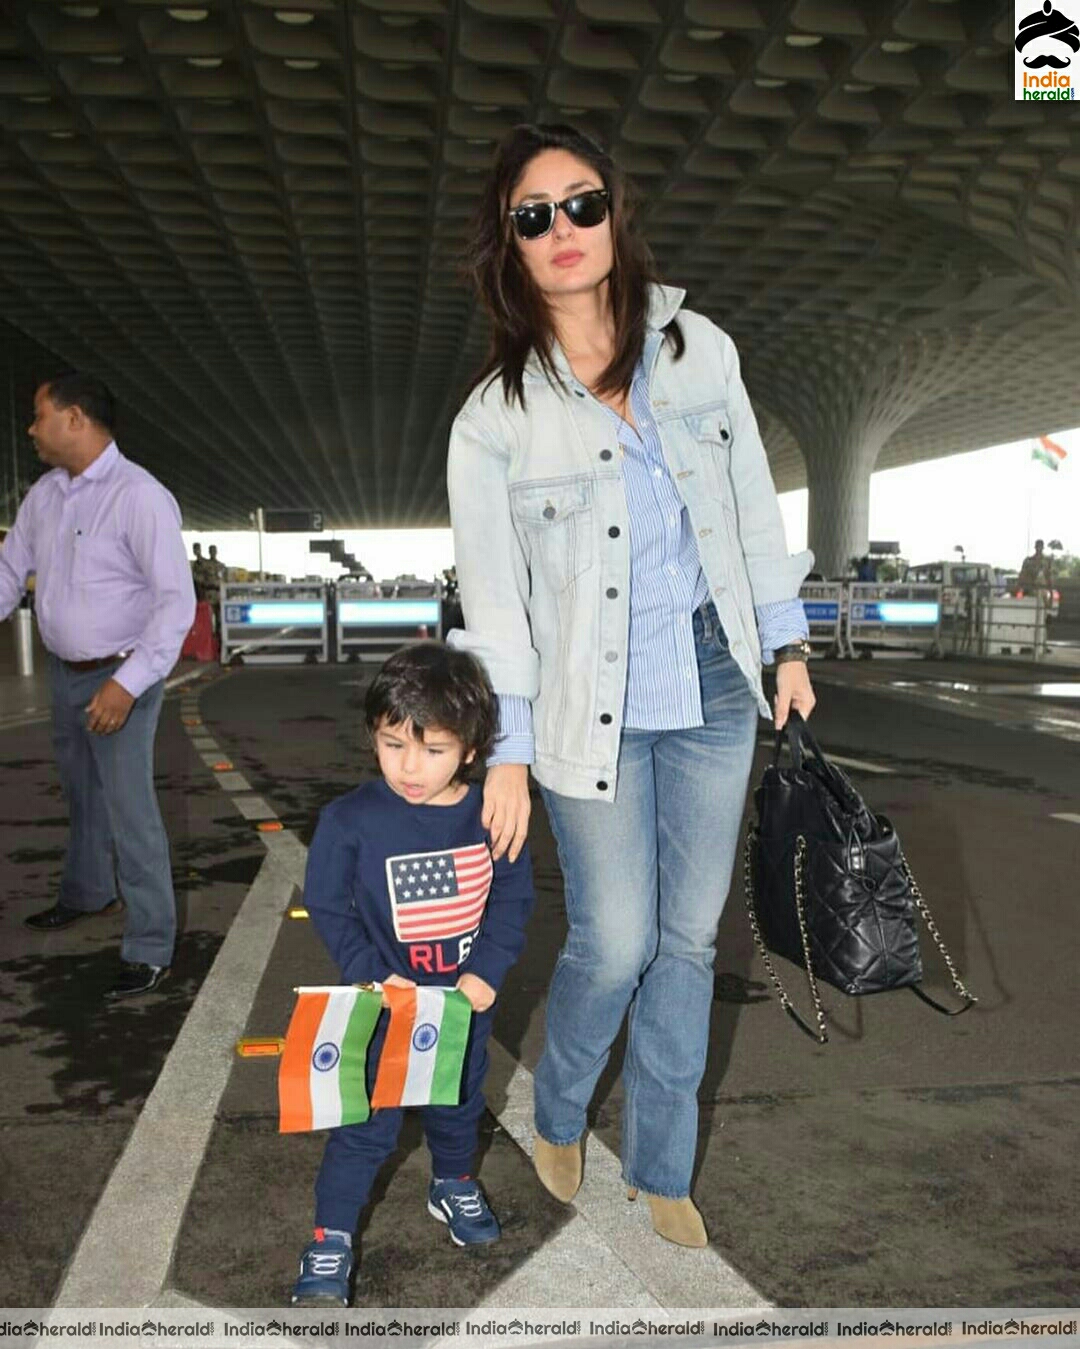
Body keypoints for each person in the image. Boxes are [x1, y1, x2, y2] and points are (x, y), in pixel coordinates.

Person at [446, 124, 817, 1248]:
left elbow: (752, 505)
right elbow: (495, 603)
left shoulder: (700, 349)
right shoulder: (493, 417)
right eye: (533, 215)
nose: (563, 230)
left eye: (582, 203)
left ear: (618, 213)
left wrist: (786, 642)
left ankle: (664, 1168)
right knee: (615, 938)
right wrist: (504, 750)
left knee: (691, 943)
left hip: (713, 686)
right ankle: (557, 1107)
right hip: (582, 713)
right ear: (508, 246)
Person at [291, 642, 535, 1306]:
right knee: (363, 1124)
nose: (410, 765)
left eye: (433, 749)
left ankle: (451, 1180)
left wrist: (486, 971)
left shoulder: (491, 813)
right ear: (375, 734)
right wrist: (372, 974)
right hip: (382, 1005)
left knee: (457, 1105)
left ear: (472, 747)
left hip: (460, 1003)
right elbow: (330, 903)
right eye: (394, 742)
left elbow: (513, 898)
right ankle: (331, 1233)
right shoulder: (349, 821)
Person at [0, 372, 196, 999]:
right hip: (65, 672)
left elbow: (174, 606)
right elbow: (8, 573)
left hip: (120, 680)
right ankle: (87, 894)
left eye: (38, 415)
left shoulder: (140, 497)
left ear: (76, 418)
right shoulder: (46, 497)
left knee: (131, 813)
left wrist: (128, 684)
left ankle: (150, 946)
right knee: (83, 795)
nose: (31, 429)